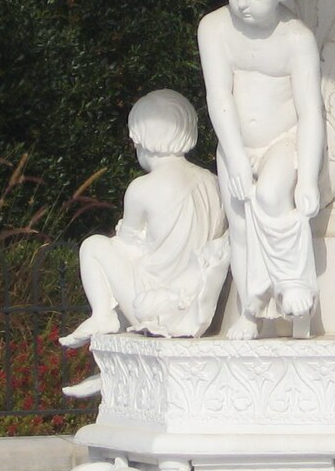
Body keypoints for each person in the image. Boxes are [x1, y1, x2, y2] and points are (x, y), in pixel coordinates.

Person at [198, 0, 323, 338]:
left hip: (282, 142)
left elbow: (309, 112)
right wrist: (235, 159)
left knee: (271, 197)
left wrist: (306, 178)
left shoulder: (296, 38)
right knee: (240, 229)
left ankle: (294, 288)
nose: (241, 3)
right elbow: (217, 94)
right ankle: (249, 312)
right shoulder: (215, 28)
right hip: (234, 145)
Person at [60, 88, 228, 349]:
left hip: (152, 302)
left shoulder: (141, 188)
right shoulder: (214, 183)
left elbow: (129, 244)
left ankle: (103, 315)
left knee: (94, 246)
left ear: (142, 141)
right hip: (196, 300)